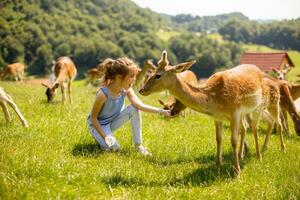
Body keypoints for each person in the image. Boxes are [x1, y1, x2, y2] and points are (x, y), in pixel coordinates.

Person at [87, 57, 171, 156]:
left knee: (134, 108)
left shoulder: (126, 89)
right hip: (98, 126)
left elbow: (140, 105)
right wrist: (106, 137)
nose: (134, 79)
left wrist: (162, 111)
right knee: (114, 149)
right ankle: (105, 140)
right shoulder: (103, 94)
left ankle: (139, 146)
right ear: (119, 77)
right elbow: (93, 119)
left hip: (112, 122)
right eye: (131, 76)